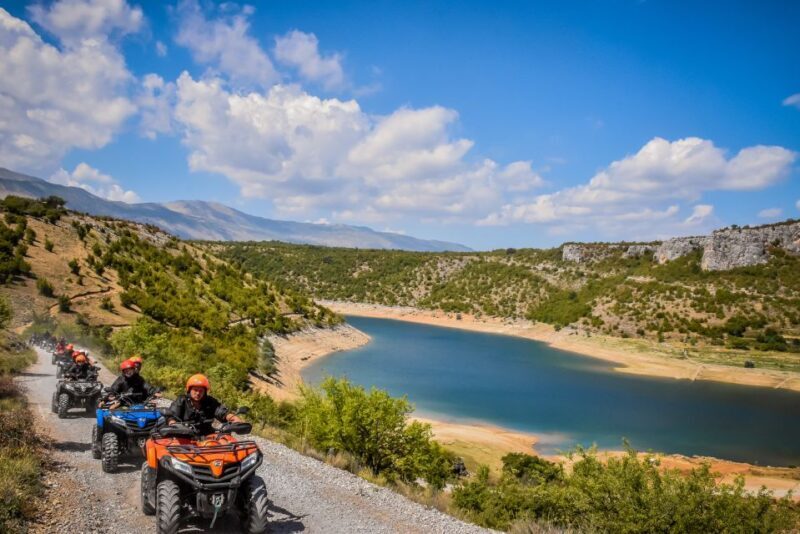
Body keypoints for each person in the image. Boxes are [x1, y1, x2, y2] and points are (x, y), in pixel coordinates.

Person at [167, 374, 241, 436]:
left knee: (227, 441)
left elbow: (222, 412)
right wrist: (173, 424)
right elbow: (172, 415)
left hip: (206, 437)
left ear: (205, 392)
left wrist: (234, 419)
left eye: (201, 391)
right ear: (189, 390)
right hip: (184, 436)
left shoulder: (210, 401)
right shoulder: (182, 400)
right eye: (195, 390)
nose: (198, 393)